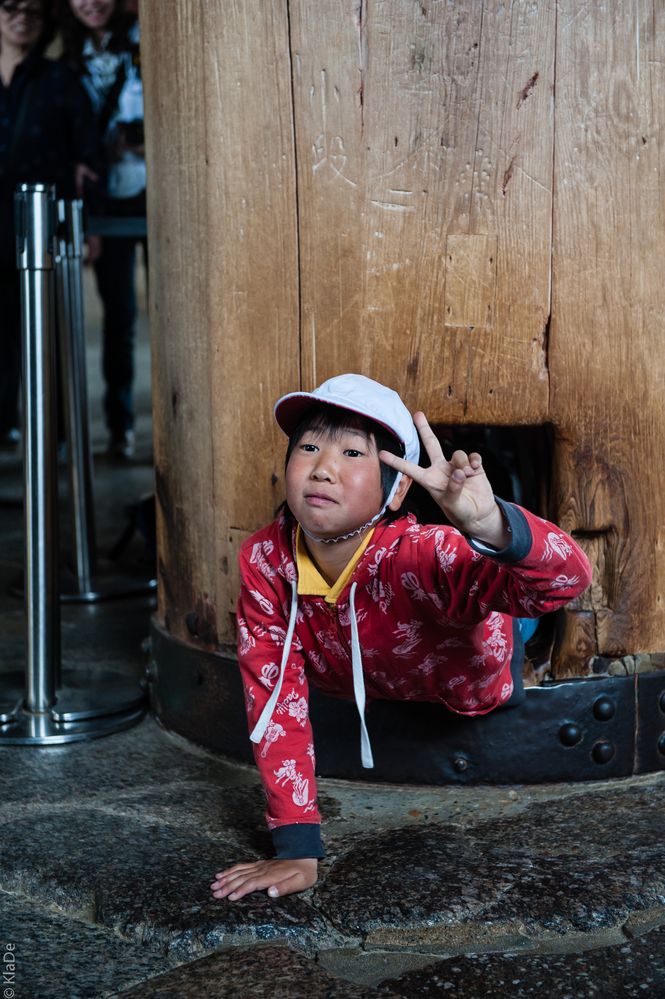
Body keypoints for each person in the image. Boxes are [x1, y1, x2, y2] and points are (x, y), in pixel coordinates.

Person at [210, 373, 592, 903]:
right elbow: (276, 701)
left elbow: (568, 581)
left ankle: (506, 499)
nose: (323, 467)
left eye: (352, 453)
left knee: (512, 593)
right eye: (309, 446)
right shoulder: (265, 562)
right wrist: (297, 845)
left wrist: (489, 524)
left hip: (474, 658)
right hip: (367, 669)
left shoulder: (427, 553)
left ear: (398, 488)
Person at [0, 0, 97, 447]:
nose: (23, 16)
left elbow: (86, 158)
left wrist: (86, 223)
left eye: (34, 10)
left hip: (41, 228)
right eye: (11, 7)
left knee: (45, 335)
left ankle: (50, 438)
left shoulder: (61, 78)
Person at [60, 0, 145, 459]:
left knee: (174, 314)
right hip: (103, 195)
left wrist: (132, 138)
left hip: (156, 191)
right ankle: (121, 426)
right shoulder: (67, 52)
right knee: (119, 316)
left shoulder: (143, 39)